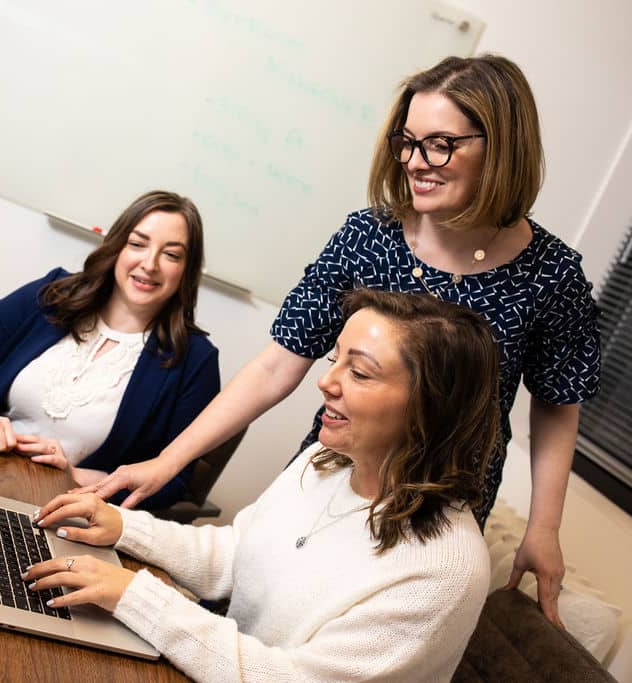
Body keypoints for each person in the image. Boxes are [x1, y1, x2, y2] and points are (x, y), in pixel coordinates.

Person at [80, 54, 600, 625]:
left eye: (440, 145)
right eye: (408, 142)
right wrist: (167, 461)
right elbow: (276, 367)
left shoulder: (553, 275)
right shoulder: (367, 238)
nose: (415, 162)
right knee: (253, 610)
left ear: (499, 146)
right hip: (332, 476)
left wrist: (543, 528)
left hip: (441, 505)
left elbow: (557, 404)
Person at [27, 289, 496, 681]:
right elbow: (238, 556)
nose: (325, 381)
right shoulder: (323, 462)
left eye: (358, 372)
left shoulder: (444, 570)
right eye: (334, 359)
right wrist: (125, 527)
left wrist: (137, 597)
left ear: (431, 406)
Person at [0, 190, 220, 509]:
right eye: (137, 244)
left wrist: (76, 475)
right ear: (118, 245)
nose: (149, 264)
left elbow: (173, 481)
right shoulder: (55, 293)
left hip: (63, 510)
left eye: (171, 255)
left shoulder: (195, 360)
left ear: (187, 270)